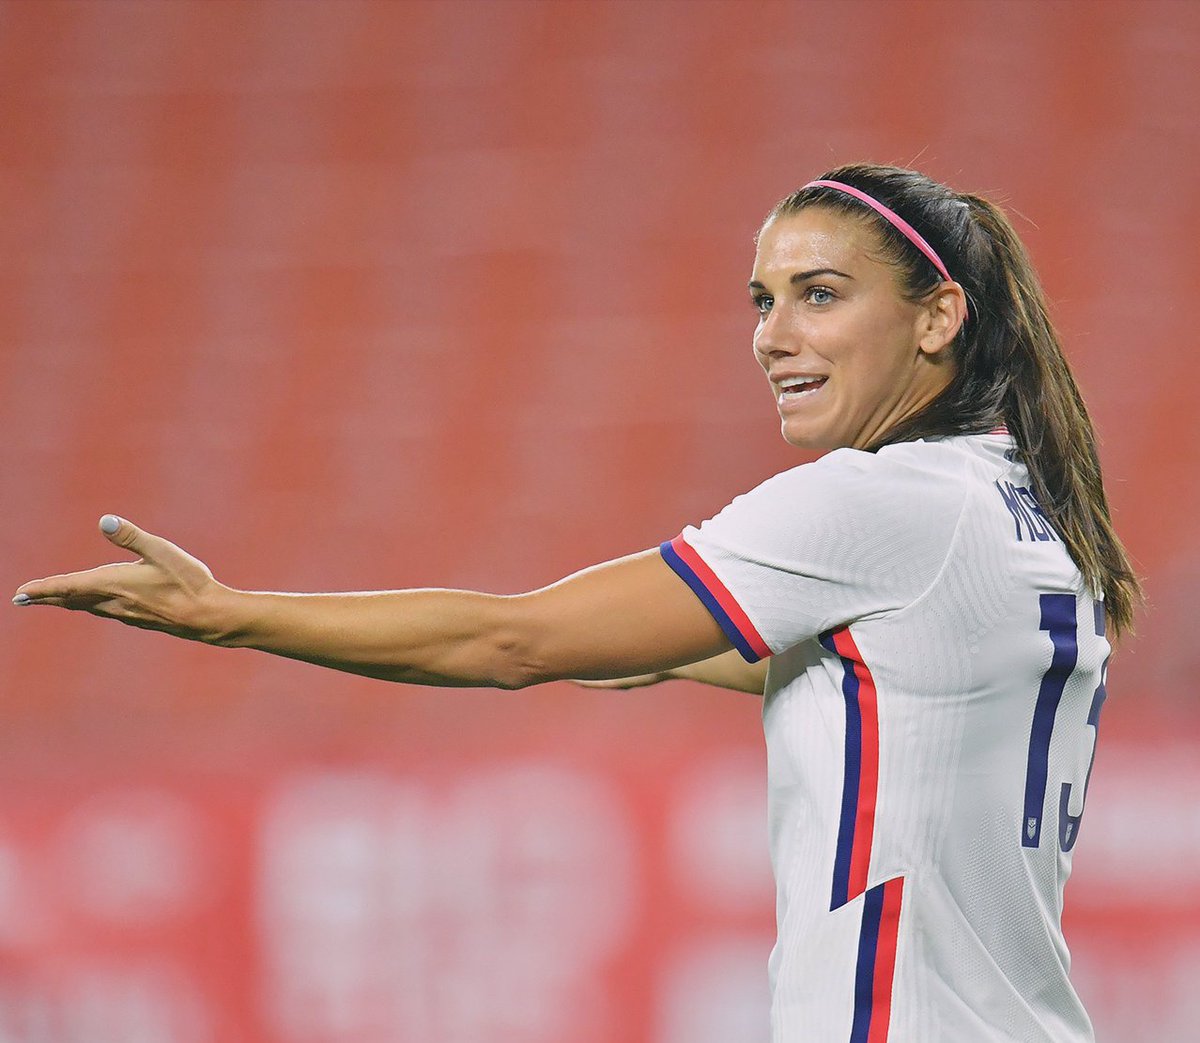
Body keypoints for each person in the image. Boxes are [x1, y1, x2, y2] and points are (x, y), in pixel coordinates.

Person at [13, 163, 1139, 1042]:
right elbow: (820, 673)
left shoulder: (875, 506)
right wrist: (625, 645)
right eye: (763, 298)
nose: (772, 334)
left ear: (939, 316)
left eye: (821, 294)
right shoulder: (1023, 508)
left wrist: (230, 611)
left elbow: (515, 639)